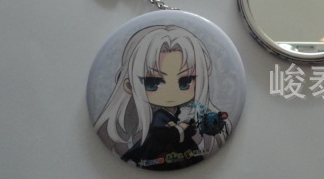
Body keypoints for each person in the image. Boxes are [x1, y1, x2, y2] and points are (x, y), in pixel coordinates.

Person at [94, 25, 230, 170]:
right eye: (153, 83)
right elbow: (163, 134)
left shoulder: (196, 115)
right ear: (129, 86)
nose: (171, 92)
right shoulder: (153, 118)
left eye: (185, 81)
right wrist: (181, 128)